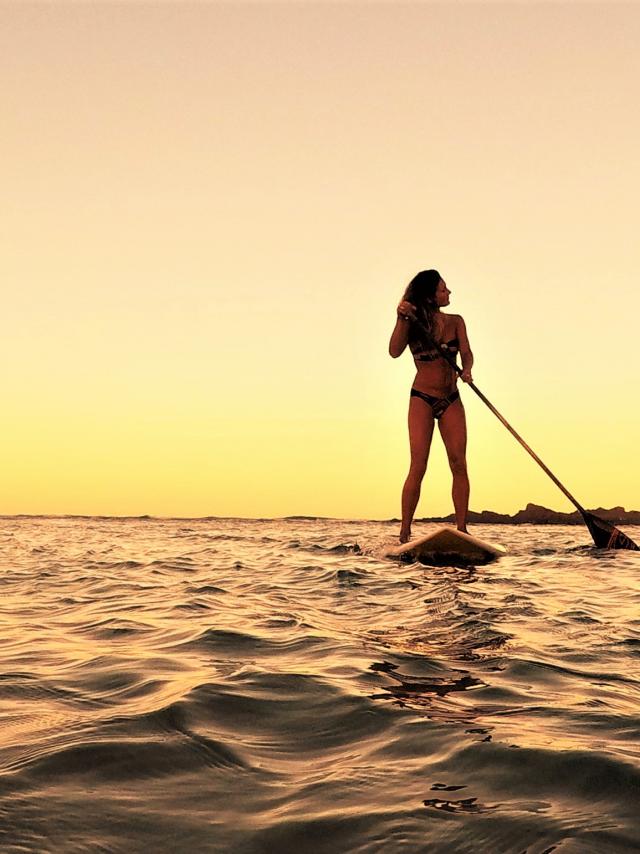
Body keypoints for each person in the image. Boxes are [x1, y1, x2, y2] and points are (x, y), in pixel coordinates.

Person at [389, 269, 474, 543]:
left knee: (458, 462)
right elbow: (394, 351)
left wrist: (467, 370)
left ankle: (462, 529)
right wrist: (401, 318)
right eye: (443, 289)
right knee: (419, 464)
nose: (448, 293)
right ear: (430, 296)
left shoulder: (456, 321)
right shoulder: (412, 321)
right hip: (422, 398)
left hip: (451, 398)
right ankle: (405, 532)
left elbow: (467, 353)